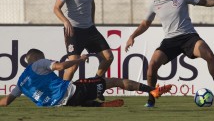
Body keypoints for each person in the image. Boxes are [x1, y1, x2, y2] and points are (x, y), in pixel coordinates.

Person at [125, 0, 214, 107]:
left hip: (189, 37)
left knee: (209, 55)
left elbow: (205, 2)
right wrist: (132, 36)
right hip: (170, 41)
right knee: (152, 66)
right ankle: (151, 98)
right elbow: (145, 24)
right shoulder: (154, 4)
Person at [0, 48, 172, 107]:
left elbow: (6, 101)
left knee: (82, 99)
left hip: (59, 106)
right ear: (38, 57)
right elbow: (59, 67)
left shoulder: (21, 82)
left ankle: (101, 104)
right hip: (72, 92)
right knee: (113, 81)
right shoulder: (39, 63)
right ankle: (153, 90)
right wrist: (80, 60)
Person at [53, 0, 113, 101]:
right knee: (73, 66)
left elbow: (92, 3)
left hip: (90, 29)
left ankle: (96, 84)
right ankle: (61, 95)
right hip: (74, 30)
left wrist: (92, 22)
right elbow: (56, 8)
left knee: (108, 57)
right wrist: (66, 22)